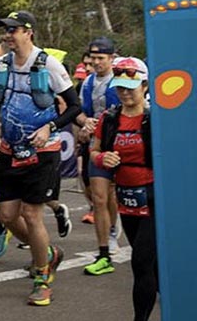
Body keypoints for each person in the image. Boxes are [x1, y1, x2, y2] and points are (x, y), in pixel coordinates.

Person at [0, 10, 81, 306]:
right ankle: (47, 253)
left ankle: (43, 277)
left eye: (13, 29)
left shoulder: (48, 64)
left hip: (44, 151)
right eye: (6, 29)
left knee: (31, 214)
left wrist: (50, 126)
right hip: (8, 149)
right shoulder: (0, 65)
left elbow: (75, 106)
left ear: (28, 32)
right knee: (6, 216)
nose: (8, 34)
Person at [89, 57, 157, 321]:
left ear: (145, 85)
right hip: (126, 198)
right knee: (151, 265)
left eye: (131, 86)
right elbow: (94, 150)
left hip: (154, 196)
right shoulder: (109, 118)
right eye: (120, 87)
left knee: (140, 262)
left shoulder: (156, 118)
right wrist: (102, 158)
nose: (125, 92)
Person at [76, 37, 122, 276]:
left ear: (112, 58)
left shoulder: (121, 79)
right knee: (99, 197)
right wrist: (85, 126)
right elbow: (83, 112)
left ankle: (114, 228)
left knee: (112, 194)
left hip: (120, 144)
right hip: (96, 144)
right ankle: (103, 250)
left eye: (101, 58)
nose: (96, 62)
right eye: (93, 58)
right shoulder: (88, 82)